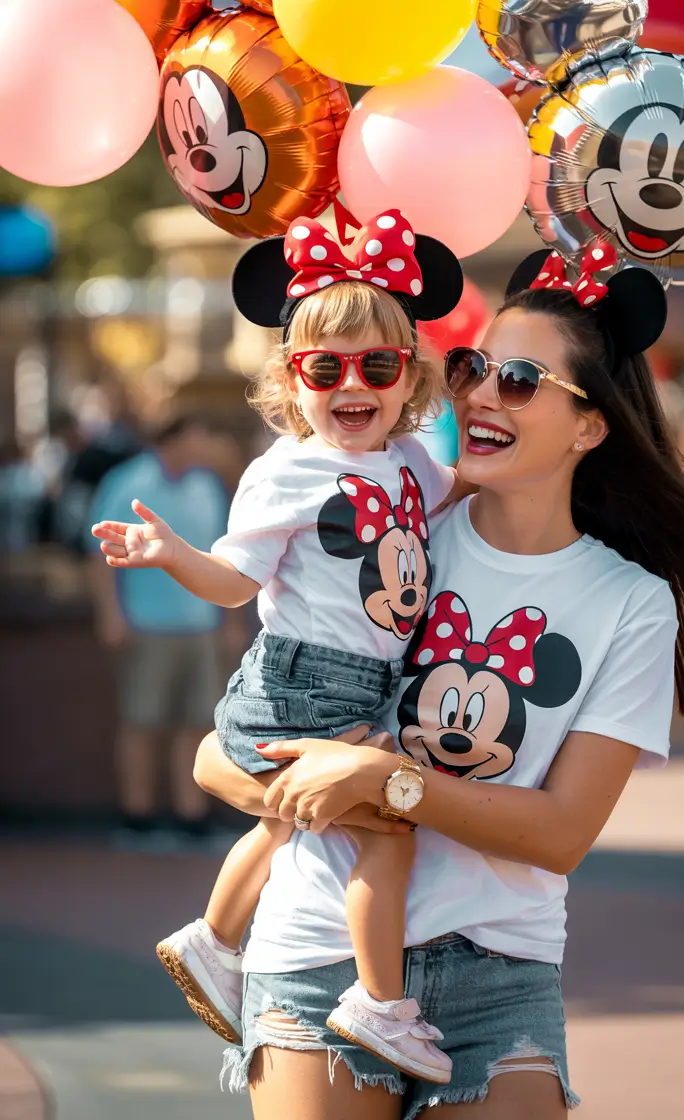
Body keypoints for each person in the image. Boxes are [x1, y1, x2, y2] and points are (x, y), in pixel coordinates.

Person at [188, 243, 684, 1120]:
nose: (476, 393)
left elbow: (560, 835)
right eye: (472, 366)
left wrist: (380, 780)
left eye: (518, 378)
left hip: (502, 967)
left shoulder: (631, 603)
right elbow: (222, 751)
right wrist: (274, 773)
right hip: (320, 948)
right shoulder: (394, 521)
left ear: (589, 426)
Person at [92, 210, 469, 1083]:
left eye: (377, 366)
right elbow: (236, 578)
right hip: (303, 680)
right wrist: (173, 556)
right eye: (324, 367)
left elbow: (469, 499)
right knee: (388, 830)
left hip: (365, 683)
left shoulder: (411, 458)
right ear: (291, 380)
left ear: (406, 376)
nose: (352, 384)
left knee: (294, 816)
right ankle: (381, 1003)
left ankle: (215, 941)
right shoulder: (289, 469)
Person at [87, 414, 230, 843]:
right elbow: (99, 552)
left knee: (196, 722)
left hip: (201, 626)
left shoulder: (207, 486)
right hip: (147, 626)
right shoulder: (129, 480)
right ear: (178, 436)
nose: (206, 442)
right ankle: (138, 818)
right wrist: (111, 614)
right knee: (142, 722)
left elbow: (224, 554)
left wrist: (231, 619)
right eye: (200, 432)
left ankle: (191, 819)